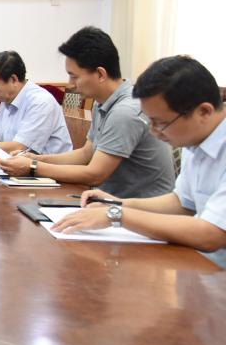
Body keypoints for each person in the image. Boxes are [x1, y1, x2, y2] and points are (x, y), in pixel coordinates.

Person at [52, 56, 226, 267]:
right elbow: (182, 203)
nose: (153, 132)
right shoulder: (196, 138)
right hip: (198, 263)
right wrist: (117, 203)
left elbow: (212, 234)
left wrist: (117, 215)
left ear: (204, 112)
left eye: (160, 123)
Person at [0, 27, 175, 197]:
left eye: (74, 76)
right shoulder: (102, 103)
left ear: (100, 74)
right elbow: (86, 154)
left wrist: (32, 166)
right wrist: (37, 159)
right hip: (109, 202)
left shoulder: (125, 111)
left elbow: (95, 174)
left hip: (136, 209)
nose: (70, 84)